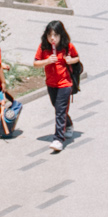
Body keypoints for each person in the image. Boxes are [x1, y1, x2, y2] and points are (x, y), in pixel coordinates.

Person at [33, 20, 79, 150]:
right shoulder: (43, 47)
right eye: (49, 35)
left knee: (59, 111)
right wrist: (46, 61)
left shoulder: (67, 46)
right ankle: (68, 125)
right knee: (58, 108)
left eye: (55, 35)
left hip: (65, 84)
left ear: (61, 35)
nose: (52, 38)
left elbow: (77, 58)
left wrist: (70, 60)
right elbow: (35, 63)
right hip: (51, 83)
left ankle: (58, 139)